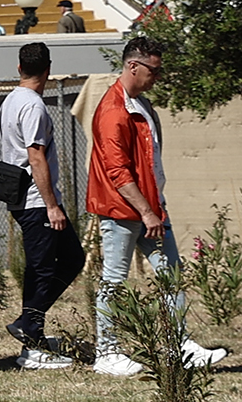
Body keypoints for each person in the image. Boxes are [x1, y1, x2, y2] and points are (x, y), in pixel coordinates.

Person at [86, 37, 229, 376]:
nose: (157, 77)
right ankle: (106, 353)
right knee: (115, 280)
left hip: (150, 209)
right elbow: (117, 171)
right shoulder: (113, 111)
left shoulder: (140, 105)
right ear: (132, 66)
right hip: (122, 212)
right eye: (154, 71)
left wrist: (154, 208)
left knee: (171, 275)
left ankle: (177, 345)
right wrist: (147, 211)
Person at [0, 42, 82, 369]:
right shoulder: (32, 106)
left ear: (19, 68)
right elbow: (35, 156)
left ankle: (31, 324)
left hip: (26, 198)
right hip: (36, 200)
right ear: (48, 69)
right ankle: (30, 335)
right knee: (43, 269)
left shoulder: (11, 100)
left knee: (70, 258)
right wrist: (52, 205)